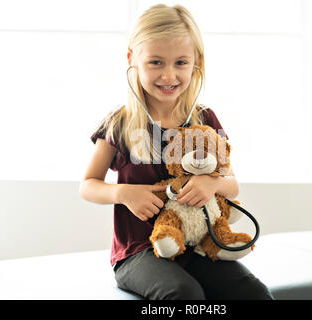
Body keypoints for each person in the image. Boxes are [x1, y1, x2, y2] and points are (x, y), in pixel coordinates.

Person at [79, 4, 274, 300]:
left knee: (253, 293)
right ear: (133, 59)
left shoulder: (205, 120)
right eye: (156, 62)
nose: (169, 75)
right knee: (183, 294)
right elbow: (88, 185)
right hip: (138, 252)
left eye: (181, 63)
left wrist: (212, 183)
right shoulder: (119, 123)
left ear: (197, 62)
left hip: (196, 246)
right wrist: (123, 193)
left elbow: (232, 184)